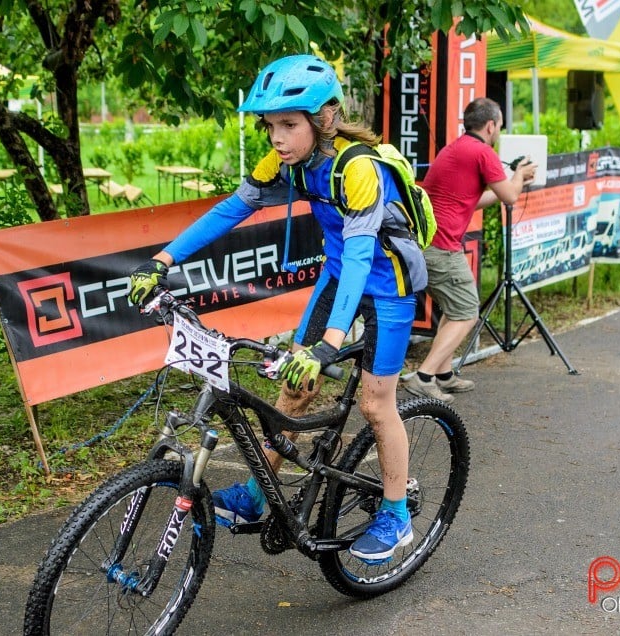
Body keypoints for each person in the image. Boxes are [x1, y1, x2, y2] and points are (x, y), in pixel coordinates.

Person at [129, 54, 429, 564]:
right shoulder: (288, 162)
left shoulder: (359, 168)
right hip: (338, 277)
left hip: (388, 284)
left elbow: (361, 255)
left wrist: (329, 344)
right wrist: (162, 259)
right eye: (270, 126)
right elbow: (232, 209)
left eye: (289, 125)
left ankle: (396, 514)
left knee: (376, 404)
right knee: (295, 386)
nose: (276, 138)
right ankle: (255, 493)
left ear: (326, 118)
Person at [403, 97, 537, 403]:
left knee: (455, 308)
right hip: (442, 248)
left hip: (427, 244)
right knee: (466, 313)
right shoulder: (483, 152)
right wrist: (519, 176)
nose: (499, 132)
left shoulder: (456, 148)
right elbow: (510, 197)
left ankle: (443, 373)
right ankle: (423, 377)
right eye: (500, 126)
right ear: (491, 125)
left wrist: (509, 185)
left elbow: (470, 200)